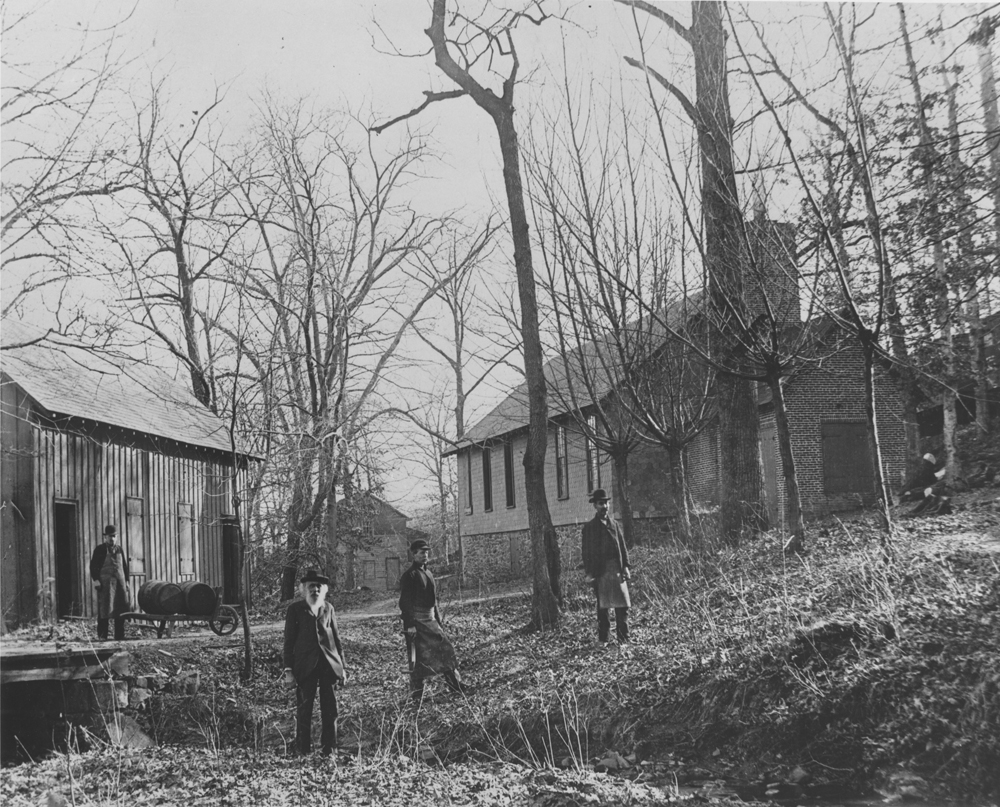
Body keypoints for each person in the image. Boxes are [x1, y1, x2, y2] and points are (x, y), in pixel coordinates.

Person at [282, 569, 347, 757]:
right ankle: (303, 750)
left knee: (330, 709)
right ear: (304, 589)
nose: (315, 590)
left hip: (328, 666)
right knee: (304, 710)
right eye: (311, 586)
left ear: (324, 589)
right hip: (304, 666)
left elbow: (336, 639)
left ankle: (330, 749)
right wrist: (288, 670)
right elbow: (288, 642)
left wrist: (342, 667)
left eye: (319, 586)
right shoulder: (295, 610)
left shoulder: (329, 608)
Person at [398, 539, 469, 701]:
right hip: (416, 622)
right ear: (413, 554)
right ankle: (416, 696)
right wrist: (410, 625)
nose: (425, 555)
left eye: (426, 552)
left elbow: (434, 601)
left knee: (446, 649)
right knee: (417, 658)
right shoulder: (409, 576)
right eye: (421, 553)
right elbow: (405, 603)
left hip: (430, 620)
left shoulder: (429, 573)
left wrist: (438, 621)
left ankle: (454, 685)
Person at [581, 488, 631, 645]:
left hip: (616, 569)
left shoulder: (614, 525)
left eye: (607, 503)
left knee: (622, 606)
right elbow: (586, 552)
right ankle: (604, 639)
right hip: (600, 572)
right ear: (595, 506)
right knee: (603, 607)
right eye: (601, 503)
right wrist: (589, 572)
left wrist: (626, 567)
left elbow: (622, 547)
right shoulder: (589, 528)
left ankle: (624, 639)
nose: (605, 506)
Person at [89, 524, 130, 641]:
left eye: (114, 536)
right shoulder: (100, 550)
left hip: (120, 584)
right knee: (104, 610)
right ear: (105, 537)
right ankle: (102, 636)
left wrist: (126, 581)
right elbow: (93, 566)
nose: (112, 539)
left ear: (116, 537)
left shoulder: (120, 549)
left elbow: (125, 567)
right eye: (109, 536)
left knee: (120, 609)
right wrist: (96, 580)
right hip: (105, 584)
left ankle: (119, 636)